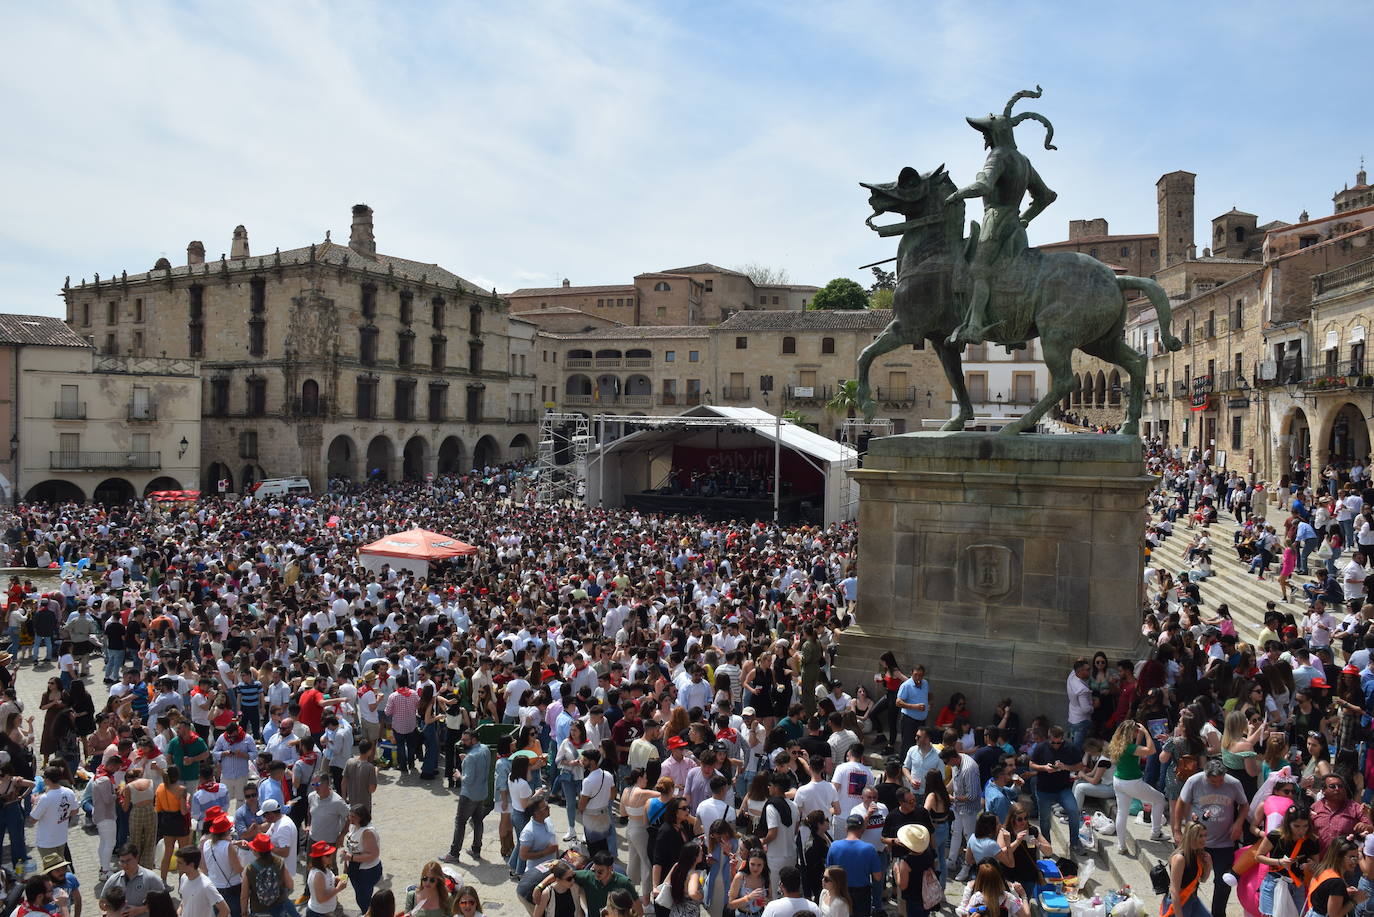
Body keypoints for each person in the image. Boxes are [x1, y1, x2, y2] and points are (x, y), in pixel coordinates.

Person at [1173, 760, 1247, 917]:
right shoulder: (1194, 781)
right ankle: (1188, 909)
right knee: (1190, 880)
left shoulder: (1234, 783)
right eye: (1214, 781)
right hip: (1195, 842)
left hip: (1224, 842)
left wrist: (1238, 823)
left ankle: (1218, 913)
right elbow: (1181, 803)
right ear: (1206, 777)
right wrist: (1176, 830)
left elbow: (1244, 805)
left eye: (1221, 780)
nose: (1218, 784)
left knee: (1222, 882)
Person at [1105, 719, 1167, 849]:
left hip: (1119, 781)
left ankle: (1121, 845)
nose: (1137, 732)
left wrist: (1139, 736)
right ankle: (1156, 832)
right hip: (1132, 783)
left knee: (1122, 812)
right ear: (1130, 732)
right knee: (1160, 799)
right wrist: (1145, 732)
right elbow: (1151, 750)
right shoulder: (1130, 748)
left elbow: (1136, 749)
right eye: (1135, 731)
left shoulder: (1116, 744)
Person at [1252, 804, 1313, 917]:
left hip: (1297, 885)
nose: (1302, 830)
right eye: (1297, 826)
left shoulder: (1311, 840)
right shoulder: (1275, 835)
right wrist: (1279, 862)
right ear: (1287, 824)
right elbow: (1258, 856)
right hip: (1273, 882)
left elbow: (1316, 862)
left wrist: (1310, 865)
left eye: (1305, 826)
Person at [827, 814, 882, 917]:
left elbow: (828, 873)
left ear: (846, 828)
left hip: (840, 892)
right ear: (862, 829)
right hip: (862, 894)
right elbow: (878, 877)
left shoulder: (834, 846)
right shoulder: (869, 848)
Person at [100, 844, 167, 917]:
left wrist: (142, 909)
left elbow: (164, 902)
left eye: (128, 860)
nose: (125, 865)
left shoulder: (151, 878)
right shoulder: (114, 879)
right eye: (122, 861)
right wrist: (107, 907)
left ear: (137, 858)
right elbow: (102, 901)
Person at [1305, 836, 1364, 917]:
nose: (1356, 862)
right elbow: (1334, 915)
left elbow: (1323, 895)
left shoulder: (1323, 870)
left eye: (1357, 857)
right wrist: (1355, 901)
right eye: (1352, 857)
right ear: (1338, 857)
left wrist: (1343, 892)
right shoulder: (1336, 883)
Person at [341, 805, 381, 914]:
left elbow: (373, 855)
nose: (350, 819)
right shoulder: (354, 826)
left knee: (363, 899)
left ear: (362, 818)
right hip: (355, 867)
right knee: (360, 897)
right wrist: (347, 861)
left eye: (353, 817)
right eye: (350, 816)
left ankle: (369, 914)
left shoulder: (367, 832)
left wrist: (351, 857)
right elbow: (353, 846)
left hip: (366, 870)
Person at [241, 833, 292, 917]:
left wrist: (244, 913)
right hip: (279, 908)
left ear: (256, 851)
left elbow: (244, 896)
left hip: (259, 910)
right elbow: (290, 884)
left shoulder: (250, 869)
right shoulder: (279, 862)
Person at [175, 847, 229, 917]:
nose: (176, 866)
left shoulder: (206, 886)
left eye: (180, 863)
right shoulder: (183, 878)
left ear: (191, 865)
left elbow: (224, 910)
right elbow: (185, 900)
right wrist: (179, 911)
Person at [954, 864, 1024, 917]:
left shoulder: (977, 897)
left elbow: (965, 912)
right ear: (998, 879)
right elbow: (1026, 915)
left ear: (980, 880)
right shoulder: (1008, 897)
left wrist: (968, 889)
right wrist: (1023, 896)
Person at [657, 842, 704, 917]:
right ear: (695, 857)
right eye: (701, 852)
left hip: (675, 912)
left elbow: (666, 884)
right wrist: (701, 896)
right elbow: (693, 893)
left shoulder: (676, 866)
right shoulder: (693, 875)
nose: (703, 853)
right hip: (690, 913)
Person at [304, 842, 346, 917]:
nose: (331, 856)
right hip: (318, 913)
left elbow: (326, 882)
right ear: (319, 858)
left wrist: (335, 880)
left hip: (325, 911)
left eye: (331, 854)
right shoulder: (318, 875)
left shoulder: (325, 867)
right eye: (327, 855)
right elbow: (321, 899)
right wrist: (338, 888)